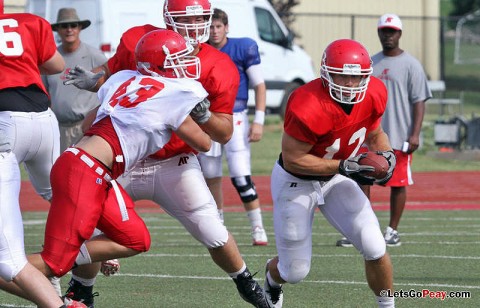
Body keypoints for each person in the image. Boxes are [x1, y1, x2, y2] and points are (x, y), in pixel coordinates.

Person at [62, 1, 269, 307]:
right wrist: (97, 82)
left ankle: (244, 280)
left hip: (175, 163)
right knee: (89, 225)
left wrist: (203, 116)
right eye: (189, 17)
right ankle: (81, 289)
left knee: (212, 229)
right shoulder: (138, 41)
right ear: (167, 19)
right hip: (125, 159)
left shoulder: (219, 65)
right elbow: (110, 78)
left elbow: (220, 134)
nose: (197, 24)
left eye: (202, 17)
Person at [0, 28, 212, 305]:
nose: (184, 64)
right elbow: (206, 144)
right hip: (86, 172)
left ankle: (68, 257)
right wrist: (205, 116)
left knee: (136, 238)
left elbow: (89, 125)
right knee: (54, 264)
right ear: (159, 63)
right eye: (177, 59)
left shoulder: (127, 80)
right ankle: (24, 275)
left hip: (88, 166)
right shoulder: (174, 96)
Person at [262, 39, 397, 308]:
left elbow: (375, 133)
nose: (349, 84)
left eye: (356, 77)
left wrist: (386, 155)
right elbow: (293, 159)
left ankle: (388, 306)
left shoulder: (374, 92)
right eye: (342, 76)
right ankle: (272, 278)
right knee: (295, 271)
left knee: (375, 246)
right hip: (296, 181)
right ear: (326, 74)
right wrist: (344, 166)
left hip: (337, 178)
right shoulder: (306, 102)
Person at [0, 7, 86, 308]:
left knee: (8, 261)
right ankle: (104, 242)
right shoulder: (29, 22)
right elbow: (55, 64)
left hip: (5, 124)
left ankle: (61, 305)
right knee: (61, 195)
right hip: (43, 119)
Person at [337, 14, 432, 249]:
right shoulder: (370, 63)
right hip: (368, 134)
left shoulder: (412, 65)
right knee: (361, 181)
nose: (388, 35)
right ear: (379, 33)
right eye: (384, 31)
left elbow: (419, 101)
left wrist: (415, 133)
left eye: (392, 31)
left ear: (400, 34)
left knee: (397, 184)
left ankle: (392, 231)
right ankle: (361, 230)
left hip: (399, 135)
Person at [200, 8, 268, 245]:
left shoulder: (243, 47)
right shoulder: (199, 50)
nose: (214, 31)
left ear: (226, 27)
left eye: (218, 26)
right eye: (210, 26)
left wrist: (258, 120)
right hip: (207, 118)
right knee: (210, 175)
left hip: (236, 116)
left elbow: (259, 85)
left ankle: (257, 226)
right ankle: (217, 226)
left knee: (240, 176)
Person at [44, 8, 107, 152]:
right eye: (64, 26)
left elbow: (109, 88)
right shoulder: (51, 58)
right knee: (59, 170)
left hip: (87, 126)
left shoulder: (95, 56)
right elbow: (44, 92)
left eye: (73, 25)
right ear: (57, 30)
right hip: (58, 128)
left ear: (79, 28)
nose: (69, 29)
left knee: (85, 170)